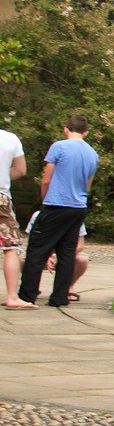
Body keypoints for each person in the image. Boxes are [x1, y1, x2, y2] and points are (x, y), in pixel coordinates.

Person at [18, 114, 99, 310]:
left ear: (66, 129)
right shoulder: (93, 154)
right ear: (85, 132)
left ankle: (27, 295)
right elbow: (88, 185)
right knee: (67, 252)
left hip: (56, 204)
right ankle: (60, 297)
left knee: (37, 250)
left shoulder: (59, 147)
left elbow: (47, 179)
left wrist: (46, 200)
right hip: (78, 207)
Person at [0, 123, 25, 309]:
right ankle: (12, 297)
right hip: (1, 197)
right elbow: (20, 170)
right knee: (11, 246)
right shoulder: (10, 138)